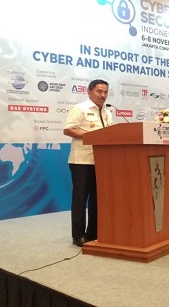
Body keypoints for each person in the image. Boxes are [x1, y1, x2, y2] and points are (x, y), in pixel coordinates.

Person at [63, 79, 113, 247]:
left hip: (102, 161)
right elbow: (68, 129)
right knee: (80, 199)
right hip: (82, 161)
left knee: (97, 199)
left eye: (105, 92)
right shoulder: (80, 109)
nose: (103, 95)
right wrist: (92, 137)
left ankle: (93, 232)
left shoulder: (107, 112)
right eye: (99, 91)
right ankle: (78, 235)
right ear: (89, 91)